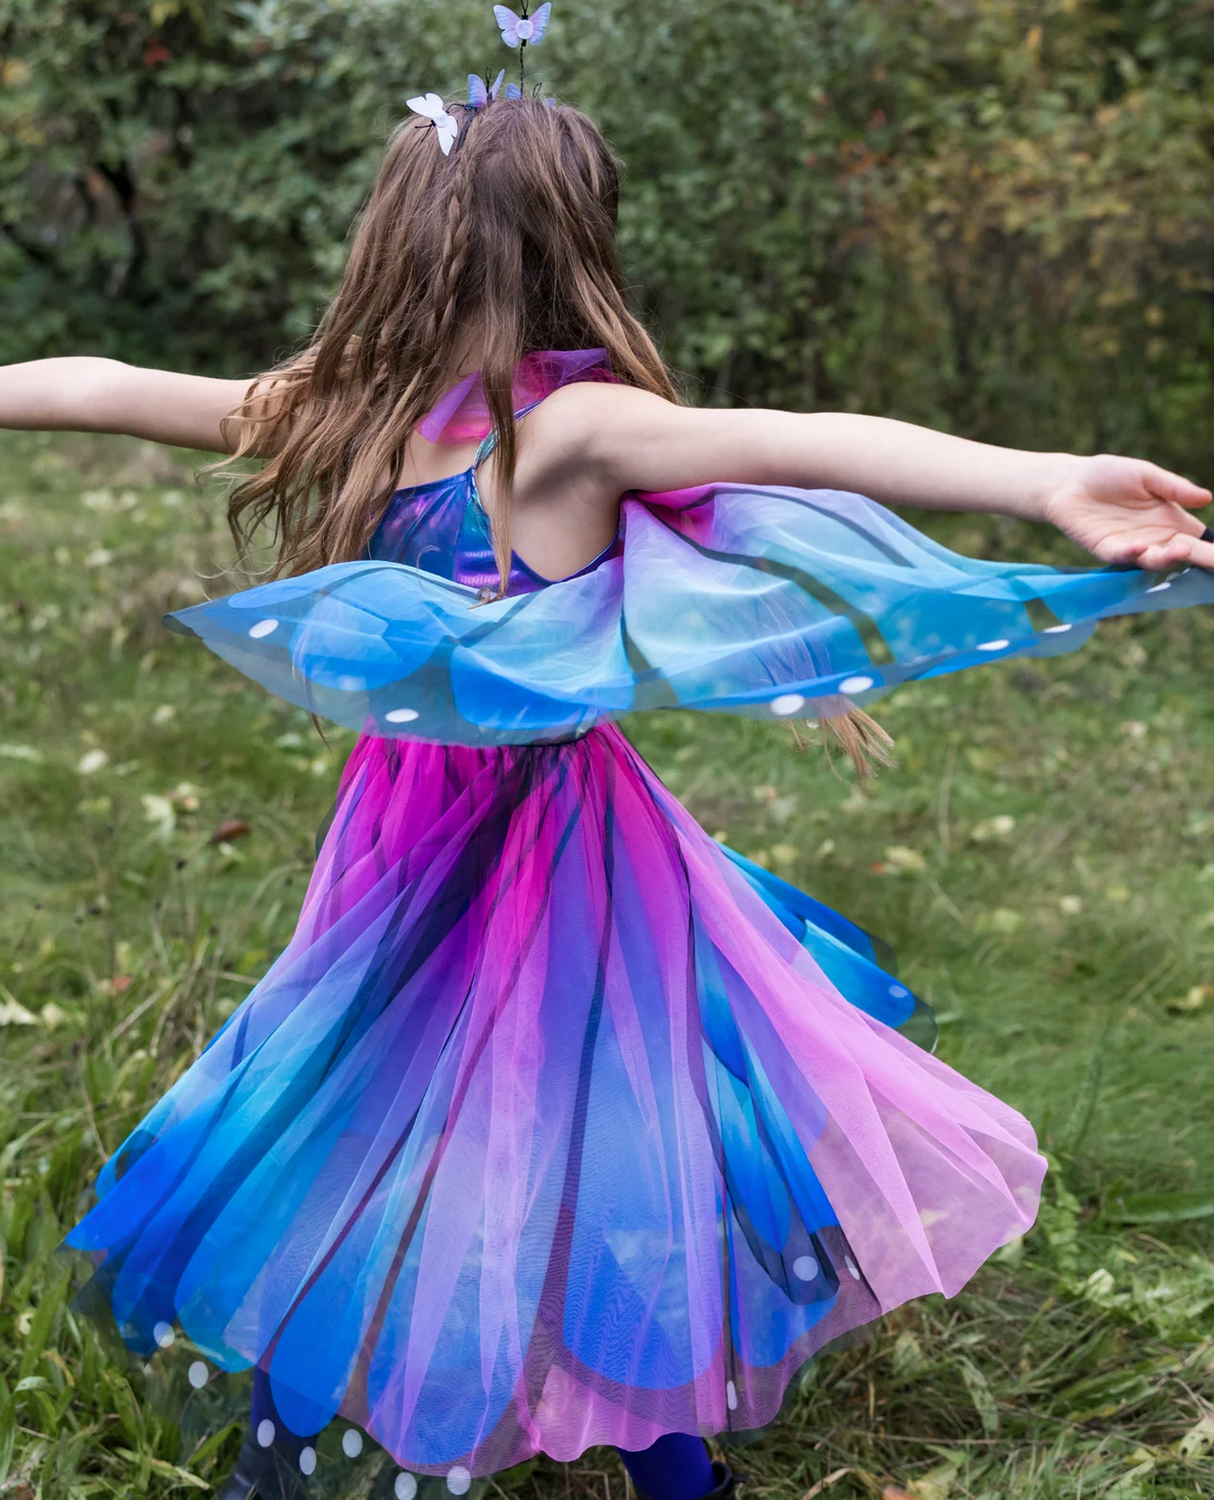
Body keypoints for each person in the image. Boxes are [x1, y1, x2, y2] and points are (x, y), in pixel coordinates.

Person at [6, 73, 1214, 1500]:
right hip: (497, 835)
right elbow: (810, 430)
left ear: (393, 239)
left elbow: (95, 383)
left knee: (470, 1100)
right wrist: (1047, 474)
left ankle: (541, 1406)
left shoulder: (356, 413)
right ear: (575, 240)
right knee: (533, 1107)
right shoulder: (548, 429)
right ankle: (567, 1405)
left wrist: (1046, 479)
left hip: (484, 838)